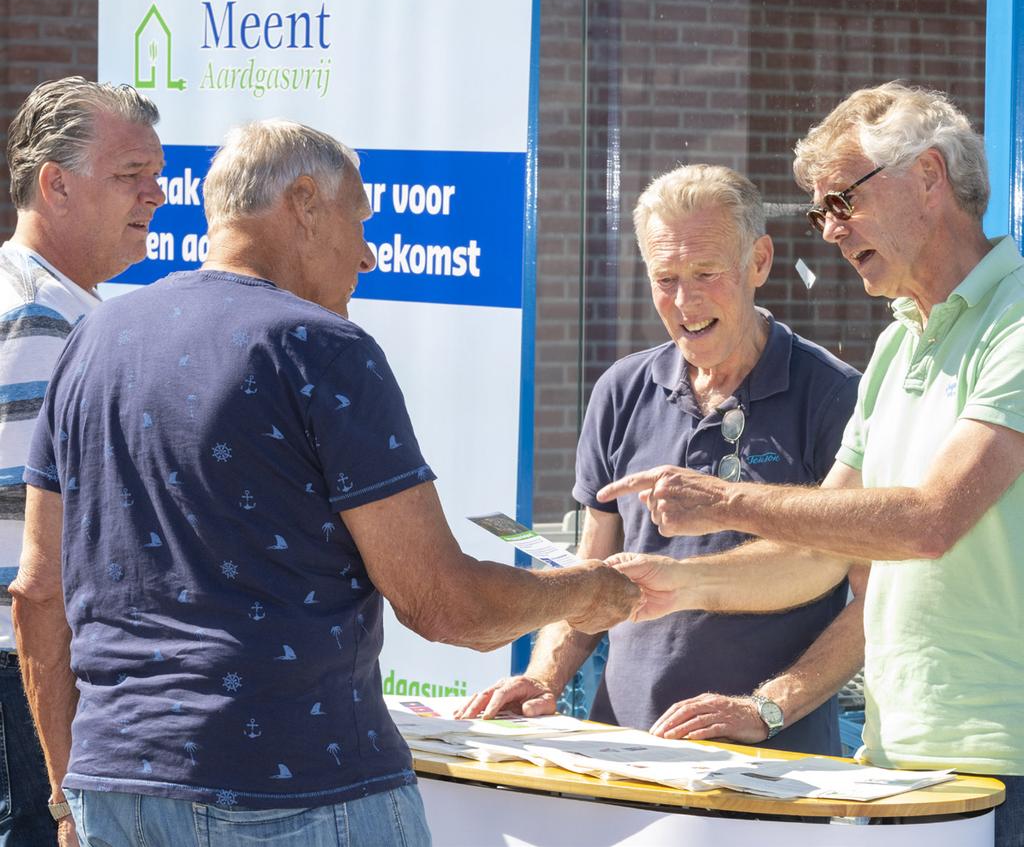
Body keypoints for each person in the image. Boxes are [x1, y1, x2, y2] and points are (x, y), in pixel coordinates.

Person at [11, 118, 639, 847]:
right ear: (304, 202)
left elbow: (38, 591)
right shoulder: (320, 347)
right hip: (299, 790)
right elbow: (444, 604)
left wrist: (65, 799)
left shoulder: (93, 339)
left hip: (114, 788)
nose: (369, 254)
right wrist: (591, 593)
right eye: (361, 218)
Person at [600, 83, 1024, 846]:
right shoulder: (900, 342)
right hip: (903, 764)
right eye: (818, 211)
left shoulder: (1016, 324)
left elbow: (931, 520)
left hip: (1005, 765)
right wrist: (681, 584)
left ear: (930, 178)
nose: (829, 231)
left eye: (841, 202)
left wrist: (726, 502)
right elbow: (824, 550)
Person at [458, 164, 864, 756]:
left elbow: (874, 604)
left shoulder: (833, 396)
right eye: (665, 277)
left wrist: (767, 708)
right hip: (622, 753)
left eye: (705, 273)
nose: (684, 301)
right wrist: (543, 680)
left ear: (759, 262)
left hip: (776, 769)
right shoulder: (621, 389)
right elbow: (589, 572)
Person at [0, 76, 164, 847]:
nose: (156, 196)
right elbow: (32, 570)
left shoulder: (54, 303)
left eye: (156, 176)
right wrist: (65, 783)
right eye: (131, 176)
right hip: (31, 686)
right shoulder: (42, 315)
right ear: (55, 185)